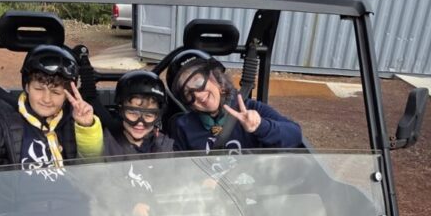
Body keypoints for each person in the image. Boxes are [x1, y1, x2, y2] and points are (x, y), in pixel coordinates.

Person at [0, 44, 103, 180]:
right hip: (16, 207)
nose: (47, 99)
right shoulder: (3, 118)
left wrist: (86, 127)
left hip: (71, 205)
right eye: (38, 89)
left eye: (56, 92)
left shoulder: (75, 118)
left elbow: (91, 170)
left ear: (67, 95)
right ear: (26, 87)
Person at [166, 49, 303, 152]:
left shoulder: (251, 109)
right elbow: (180, 170)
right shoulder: (183, 126)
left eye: (198, 82)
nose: (199, 96)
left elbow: (294, 136)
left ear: (216, 77)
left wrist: (260, 127)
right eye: (188, 93)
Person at [102, 70, 174, 156]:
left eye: (148, 115)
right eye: (133, 113)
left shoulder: (164, 146)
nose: (140, 123)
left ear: (157, 116)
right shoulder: (105, 143)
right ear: (120, 110)